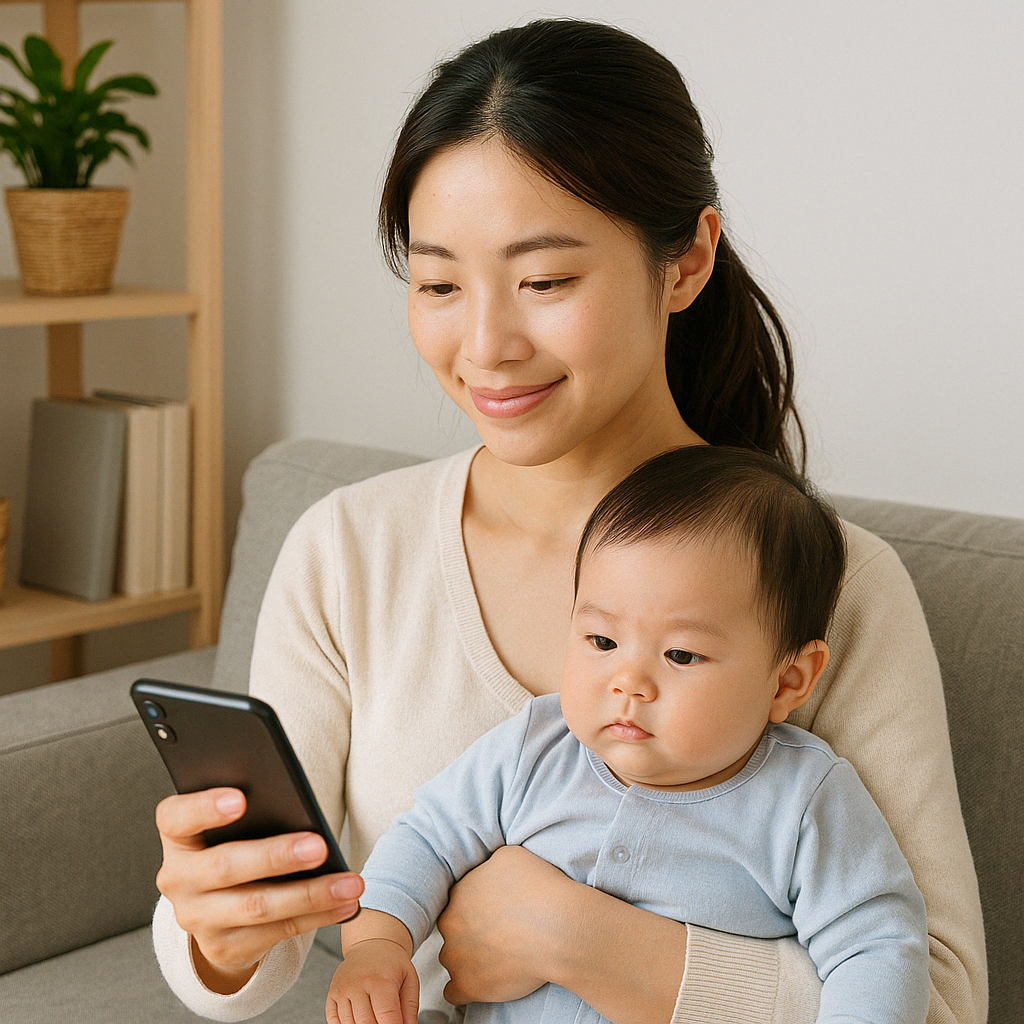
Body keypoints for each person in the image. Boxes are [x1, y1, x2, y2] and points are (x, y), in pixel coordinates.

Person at [150, 18, 986, 1024]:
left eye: (544, 280)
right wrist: (213, 931)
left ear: (684, 263)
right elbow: (271, 944)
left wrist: (578, 940)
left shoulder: (834, 587)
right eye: (438, 284)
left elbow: (935, 998)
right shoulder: (346, 551)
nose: (488, 344)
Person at [326, 445, 931, 1024]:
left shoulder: (805, 800)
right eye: (602, 642)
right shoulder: (535, 746)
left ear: (787, 681)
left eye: (681, 655)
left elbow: (875, 948)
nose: (629, 683)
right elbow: (426, 839)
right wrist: (377, 945)